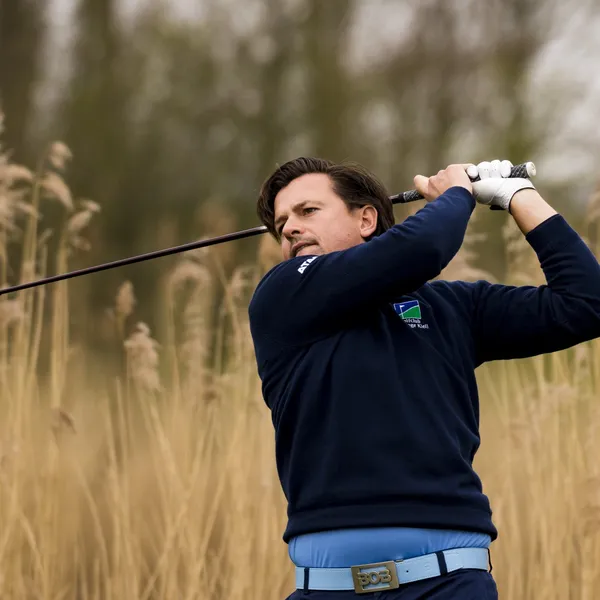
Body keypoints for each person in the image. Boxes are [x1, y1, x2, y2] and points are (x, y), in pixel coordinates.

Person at [247, 157, 600, 599]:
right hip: (325, 588)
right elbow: (424, 247)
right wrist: (457, 192)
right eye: (282, 223)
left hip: (449, 583)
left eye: (308, 211)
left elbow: (586, 303)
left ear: (366, 219)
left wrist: (518, 195)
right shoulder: (282, 295)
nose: (291, 229)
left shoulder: (452, 308)